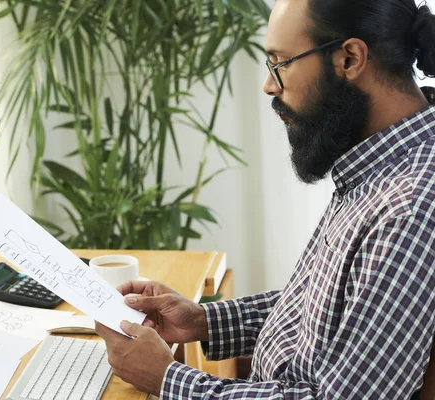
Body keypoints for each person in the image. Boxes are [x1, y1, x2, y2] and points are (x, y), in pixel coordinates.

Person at [95, 0, 435, 398]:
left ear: (349, 58)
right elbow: (332, 317)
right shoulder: (378, 164)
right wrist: (204, 320)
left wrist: (170, 380)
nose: (269, 85)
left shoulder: (410, 206)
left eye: (281, 62)